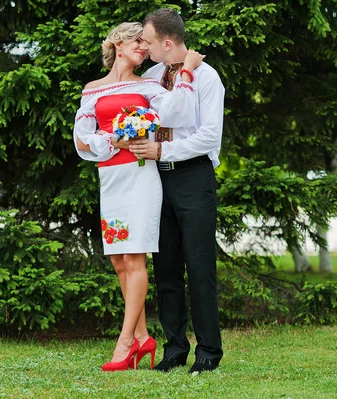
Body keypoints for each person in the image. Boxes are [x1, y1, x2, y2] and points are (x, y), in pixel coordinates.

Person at [73, 22, 203, 372]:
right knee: (118, 260)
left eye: (147, 47)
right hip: (111, 177)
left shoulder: (147, 86)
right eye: (138, 43)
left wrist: (187, 72)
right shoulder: (92, 90)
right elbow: (83, 140)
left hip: (141, 176)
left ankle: (126, 341)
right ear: (118, 43)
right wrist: (112, 140)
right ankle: (144, 336)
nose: (144, 50)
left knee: (134, 258)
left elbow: (178, 111)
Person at [129, 8, 225, 374]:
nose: (145, 48)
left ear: (167, 42)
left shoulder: (207, 77)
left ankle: (208, 353)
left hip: (192, 177)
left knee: (199, 266)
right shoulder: (152, 76)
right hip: (156, 179)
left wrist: (164, 150)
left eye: (149, 42)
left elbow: (208, 136)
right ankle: (174, 348)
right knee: (166, 265)